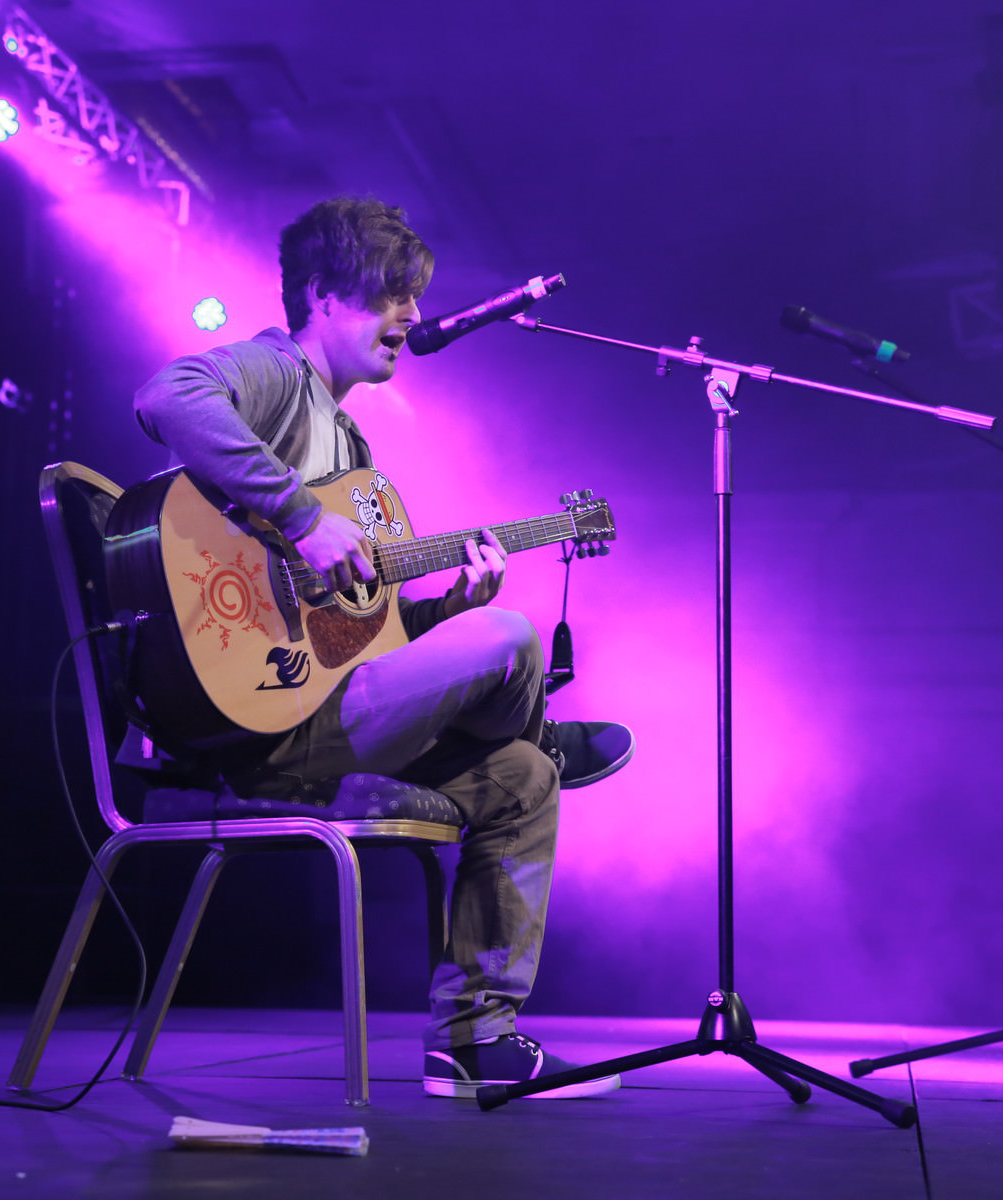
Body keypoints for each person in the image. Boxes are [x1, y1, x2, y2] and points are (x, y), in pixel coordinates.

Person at [131, 196, 633, 1099]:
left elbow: (364, 639)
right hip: (263, 727)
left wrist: (445, 611)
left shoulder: (358, 453)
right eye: (388, 294)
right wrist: (298, 518)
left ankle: (474, 1042)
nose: (410, 314)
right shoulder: (277, 372)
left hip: (331, 712)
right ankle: (541, 727)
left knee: (522, 776)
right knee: (512, 640)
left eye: (412, 296)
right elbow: (167, 395)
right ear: (323, 296)